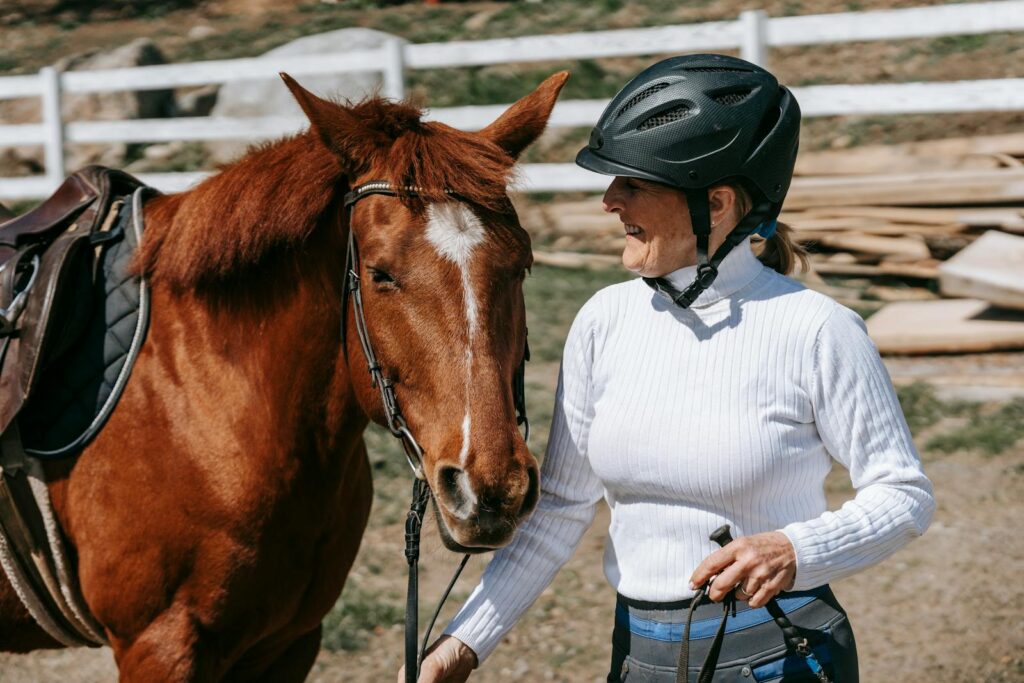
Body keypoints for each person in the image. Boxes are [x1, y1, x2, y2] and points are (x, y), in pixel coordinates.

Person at [410, 53, 934, 683]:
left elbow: (903, 495)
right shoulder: (604, 321)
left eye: (633, 182)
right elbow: (561, 508)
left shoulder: (818, 329)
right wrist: (464, 643)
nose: (609, 201)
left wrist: (797, 549)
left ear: (714, 204)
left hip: (782, 656)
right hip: (639, 659)